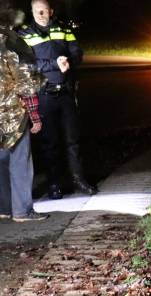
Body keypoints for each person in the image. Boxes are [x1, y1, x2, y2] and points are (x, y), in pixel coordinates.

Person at [18, 0, 96, 200]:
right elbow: (28, 64)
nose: (41, 13)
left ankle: (79, 180)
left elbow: (77, 51)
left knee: (73, 140)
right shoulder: (25, 34)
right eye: (37, 10)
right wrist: (55, 63)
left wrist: (69, 60)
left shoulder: (63, 29)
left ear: (51, 11)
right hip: (44, 94)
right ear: (32, 11)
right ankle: (54, 184)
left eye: (44, 10)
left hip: (66, 93)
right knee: (49, 143)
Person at [0, 5, 47, 222]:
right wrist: (35, 116)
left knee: (1, 162)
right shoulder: (11, 42)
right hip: (12, 114)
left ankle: (4, 208)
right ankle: (22, 211)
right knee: (20, 162)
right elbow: (26, 83)